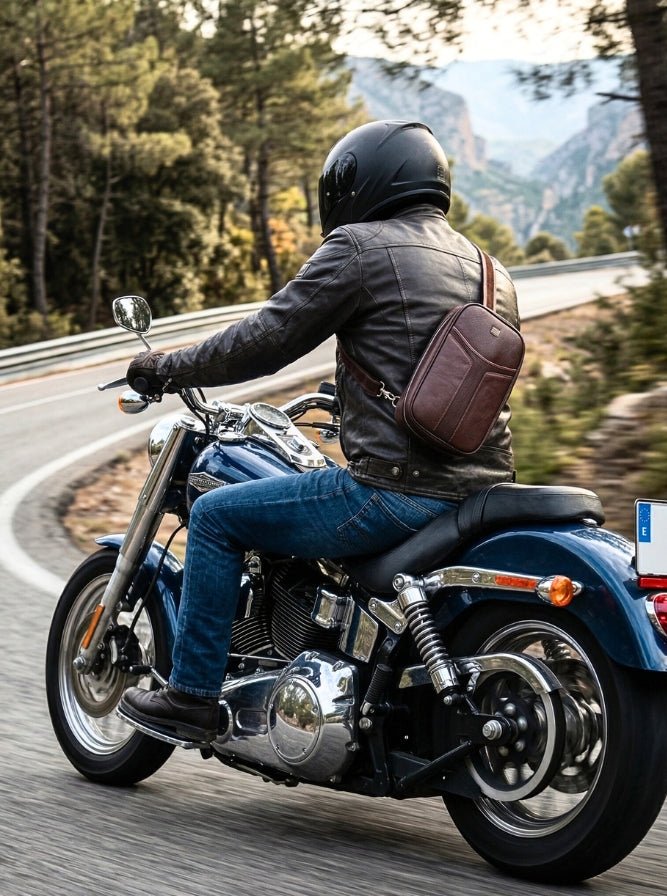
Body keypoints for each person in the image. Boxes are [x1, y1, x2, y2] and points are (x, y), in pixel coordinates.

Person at [119, 119, 520, 743]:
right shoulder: (491, 269)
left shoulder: (361, 247)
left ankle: (191, 696)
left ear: (363, 183)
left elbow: (265, 340)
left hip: (394, 492)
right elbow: (436, 373)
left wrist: (166, 368)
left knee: (218, 516)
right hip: (480, 496)